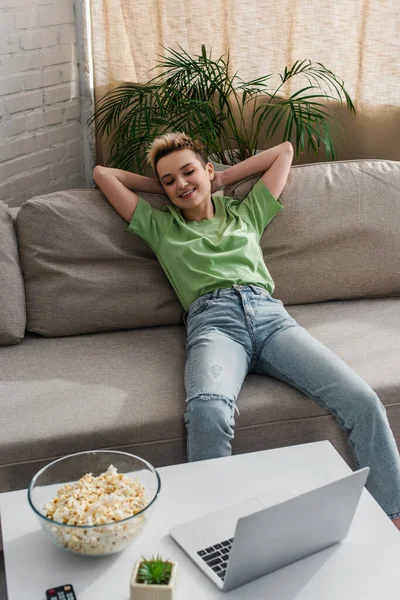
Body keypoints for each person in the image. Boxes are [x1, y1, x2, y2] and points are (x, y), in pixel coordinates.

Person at [93, 132, 400, 530]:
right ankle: (215, 530)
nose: (181, 184)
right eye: (170, 181)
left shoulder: (245, 212)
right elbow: (103, 173)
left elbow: (284, 151)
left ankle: (392, 518)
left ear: (207, 169)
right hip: (214, 325)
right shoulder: (159, 225)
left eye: (188, 172)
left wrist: (218, 178)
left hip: (271, 319)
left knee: (363, 400)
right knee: (207, 409)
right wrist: (163, 189)